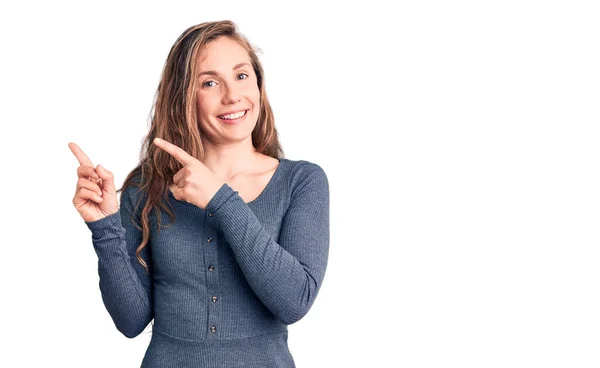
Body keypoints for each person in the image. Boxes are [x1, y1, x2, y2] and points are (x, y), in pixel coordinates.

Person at [68, 20, 330, 367]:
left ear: (258, 84)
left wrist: (220, 199)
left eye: (241, 76)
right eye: (209, 82)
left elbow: (294, 301)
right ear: (184, 96)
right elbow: (130, 322)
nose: (232, 95)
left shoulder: (301, 181)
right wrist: (105, 228)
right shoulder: (147, 187)